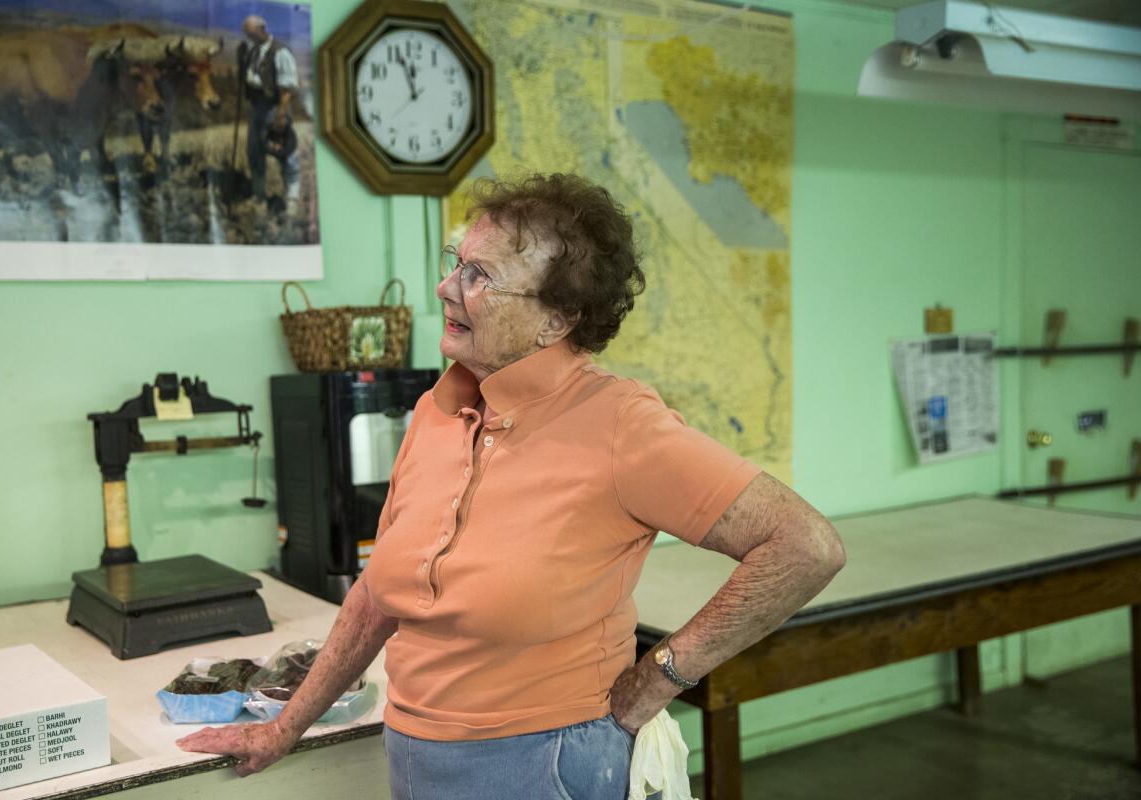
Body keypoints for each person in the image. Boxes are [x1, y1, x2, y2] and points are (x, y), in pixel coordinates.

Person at [177, 173, 846, 798]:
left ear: (556, 320)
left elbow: (804, 546)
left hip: (547, 763)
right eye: (454, 261)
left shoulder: (621, 424)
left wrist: (659, 677)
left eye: (480, 275)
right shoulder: (435, 412)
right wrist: (284, 725)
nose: (445, 288)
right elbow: (379, 595)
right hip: (415, 755)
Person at [236, 14, 299, 213]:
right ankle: (259, 196)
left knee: (284, 153)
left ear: (262, 29)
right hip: (257, 108)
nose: (249, 37)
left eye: (251, 33)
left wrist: (281, 115)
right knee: (254, 153)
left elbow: (287, 89)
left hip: (275, 108)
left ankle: (293, 199)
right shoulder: (253, 51)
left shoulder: (280, 52)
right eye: (247, 33)